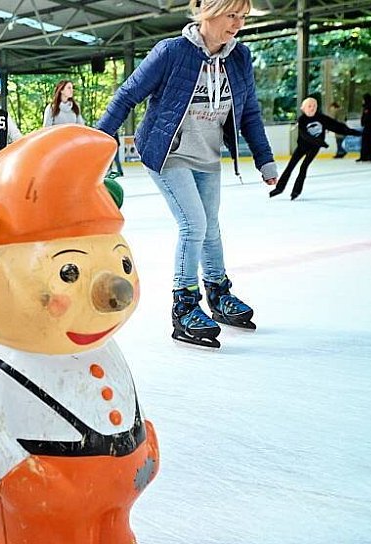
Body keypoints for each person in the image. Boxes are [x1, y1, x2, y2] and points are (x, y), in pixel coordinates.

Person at [97, 0, 278, 349]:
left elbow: (250, 112)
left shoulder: (239, 58)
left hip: (208, 156)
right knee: (193, 224)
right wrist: (97, 142)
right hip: (167, 153)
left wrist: (264, 160)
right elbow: (126, 96)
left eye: (242, 17)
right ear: (210, 11)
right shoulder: (171, 52)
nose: (238, 23)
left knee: (211, 226)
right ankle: (184, 306)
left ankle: (219, 293)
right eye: (232, 15)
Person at [271, 97, 360, 200]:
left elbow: (337, 126)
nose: (312, 108)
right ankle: (279, 188)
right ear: (303, 108)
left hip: (314, 148)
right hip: (302, 147)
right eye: (309, 106)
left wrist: (354, 132)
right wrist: (321, 142)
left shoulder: (321, 118)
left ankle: (296, 192)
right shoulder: (302, 120)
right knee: (290, 167)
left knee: (303, 167)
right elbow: (305, 135)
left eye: (314, 106)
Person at [357, 93, 371, 162]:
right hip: (368, 126)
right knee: (365, 141)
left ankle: (370, 156)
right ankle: (365, 156)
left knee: (370, 141)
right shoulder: (367, 106)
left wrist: (366, 122)